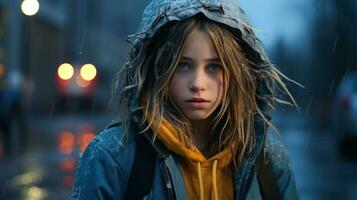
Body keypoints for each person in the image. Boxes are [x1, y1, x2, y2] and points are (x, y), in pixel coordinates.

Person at [71, 0, 300, 199]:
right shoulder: (112, 156)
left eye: (214, 66)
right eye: (182, 65)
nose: (198, 83)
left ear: (237, 73)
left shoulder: (266, 158)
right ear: (157, 68)